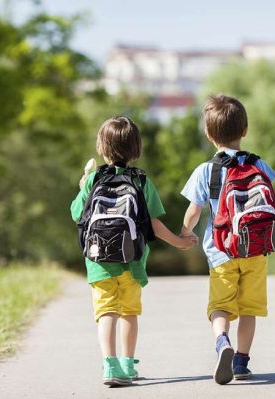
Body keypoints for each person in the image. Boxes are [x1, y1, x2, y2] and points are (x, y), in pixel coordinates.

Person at [181, 94, 275, 384]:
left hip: (221, 252)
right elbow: (272, 203)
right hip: (255, 249)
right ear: (245, 131)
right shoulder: (258, 165)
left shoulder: (206, 171)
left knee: (220, 307)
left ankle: (221, 343)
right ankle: (241, 362)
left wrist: (186, 231)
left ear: (208, 135)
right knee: (249, 309)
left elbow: (193, 211)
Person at [71, 116, 198, 387]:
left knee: (106, 312)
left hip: (99, 262)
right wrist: (179, 241)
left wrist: (83, 187)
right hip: (133, 262)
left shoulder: (93, 179)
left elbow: (76, 214)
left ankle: (110, 366)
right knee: (129, 312)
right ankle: (128, 366)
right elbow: (153, 223)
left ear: (101, 147)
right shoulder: (141, 180)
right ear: (135, 148)